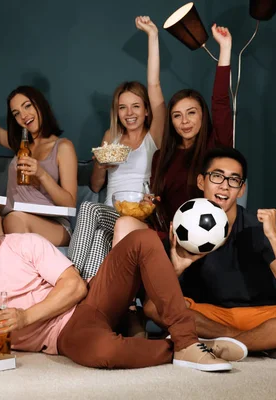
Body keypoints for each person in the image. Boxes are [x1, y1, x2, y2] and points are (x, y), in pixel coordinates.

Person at [0, 190, 248, 371]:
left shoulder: (24, 244)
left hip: (88, 303)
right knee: (103, 353)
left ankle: (187, 339)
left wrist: (25, 317)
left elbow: (75, 286)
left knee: (142, 239)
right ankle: (191, 347)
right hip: (63, 337)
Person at [144, 147, 276, 360]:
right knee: (154, 306)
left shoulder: (255, 227)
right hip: (206, 315)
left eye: (233, 180)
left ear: (241, 190)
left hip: (257, 314)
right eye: (217, 176)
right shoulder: (186, 221)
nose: (224, 186)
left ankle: (213, 344)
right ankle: (254, 342)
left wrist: (274, 236)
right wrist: (177, 268)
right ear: (202, 182)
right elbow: (154, 302)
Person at [113, 23, 234, 244]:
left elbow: (221, 103)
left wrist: (225, 49)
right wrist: (151, 202)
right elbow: (160, 204)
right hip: (167, 235)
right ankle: (100, 279)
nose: (184, 121)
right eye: (177, 115)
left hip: (200, 234)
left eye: (191, 113)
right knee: (122, 224)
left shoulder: (215, 148)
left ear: (202, 116)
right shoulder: (162, 156)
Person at [69, 16, 164, 280]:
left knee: (87, 209)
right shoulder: (111, 136)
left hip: (139, 217)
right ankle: (83, 290)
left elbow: (154, 86)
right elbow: (97, 186)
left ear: (146, 111)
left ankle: (67, 279)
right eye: (123, 107)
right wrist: (101, 163)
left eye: (136, 106)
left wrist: (152, 37)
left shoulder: (153, 137)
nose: (129, 113)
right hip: (111, 214)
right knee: (99, 238)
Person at [0, 59, 78, 253]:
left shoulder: (62, 147)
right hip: (15, 218)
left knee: (13, 219)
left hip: (54, 226)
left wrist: (42, 173)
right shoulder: (20, 146)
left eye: (27, 106)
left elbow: (70, 203)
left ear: (40, 105)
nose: (23, 115)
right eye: (16, 113)